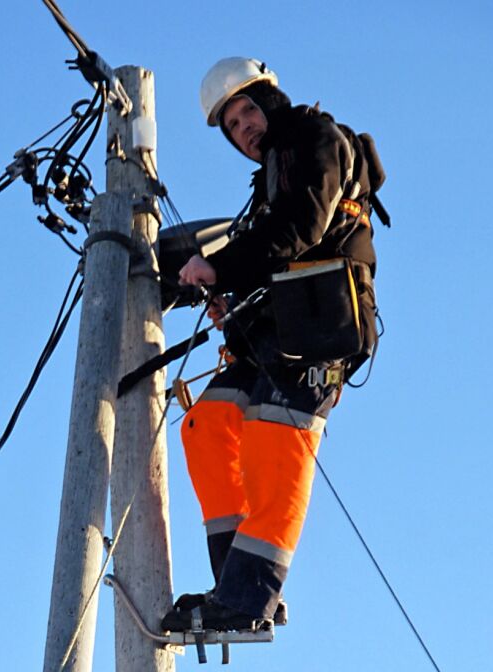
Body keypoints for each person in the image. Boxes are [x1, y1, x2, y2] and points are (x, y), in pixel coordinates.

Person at [161, 57, 380, 632]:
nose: (244, 129)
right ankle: (237, 587)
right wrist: (228, 300)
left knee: (272, 447)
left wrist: (219, 267)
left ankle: (246, 603)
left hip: (319, 330)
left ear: (271, 101)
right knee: (206, 426)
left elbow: (299, 230)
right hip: (276, 332)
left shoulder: (315, 140)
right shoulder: (271, 176)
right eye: (232, 125)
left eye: (248, 111)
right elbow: (273, 251)